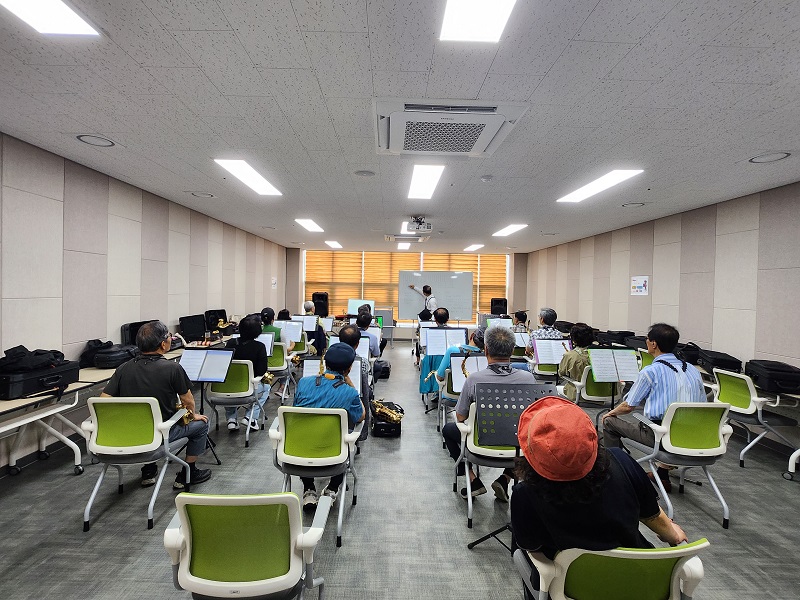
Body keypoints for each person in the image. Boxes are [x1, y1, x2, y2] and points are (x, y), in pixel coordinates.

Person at [511, 396, 688, 580]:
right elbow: (653, 516)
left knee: (520, 555)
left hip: (569, 585)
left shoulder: (524, 494)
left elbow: (532, 547)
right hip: (637, 580)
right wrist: (672, 534)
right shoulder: (621, 461)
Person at [101, 320, 211, 490]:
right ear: (163, 344)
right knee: (202, 425)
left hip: (127, 435)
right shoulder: (172, 369)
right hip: (159, 435)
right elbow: (188, 400)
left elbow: (104, 400)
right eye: (169, 336)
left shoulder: (123, 368)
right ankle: (188, 473)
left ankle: (149, 470)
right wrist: (192, 415)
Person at [601, 323, 706, 491]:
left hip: (662, 438)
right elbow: (703, 405)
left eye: (647, 339)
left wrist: (610, 413)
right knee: (672, 421)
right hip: (692, 437)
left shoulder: (651, 371)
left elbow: (628, 406)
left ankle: (616, 473)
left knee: (609, 422)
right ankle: (662, 475)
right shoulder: (693, 370)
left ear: (654, 344)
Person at [442, 326, 535, 502]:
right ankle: (505, 478)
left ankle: (472, 479)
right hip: (517, 448)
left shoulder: (474, 379)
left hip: (480, 445)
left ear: (485, 350)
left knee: (448, 430)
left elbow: (460, 417)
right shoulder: (528, 378)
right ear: (512, 350)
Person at [293, 343, 365, 512]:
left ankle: (309, 489)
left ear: (325, 363)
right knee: (346, 440)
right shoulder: (349, 392)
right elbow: (361, 416)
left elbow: (296, 410)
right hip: (334, 456)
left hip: (298, 452)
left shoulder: (303, 383)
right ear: (349, 368)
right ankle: (332, 489)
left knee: (307, 431)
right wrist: (351, 385)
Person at [224, 314, 269, 431]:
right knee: (266, 388)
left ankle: (231, 419)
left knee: (230, 387)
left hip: (227, 389)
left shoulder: (230, 343)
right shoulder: (259, 347)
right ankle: (250, 417)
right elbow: (261, 371)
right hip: (248, 388)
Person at [558, 323, 593, 402]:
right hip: (600, 395)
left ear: (574, 340)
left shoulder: (570, 355)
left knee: (555, 389)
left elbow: (561, 373)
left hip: (579, 395)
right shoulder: (599, 355)